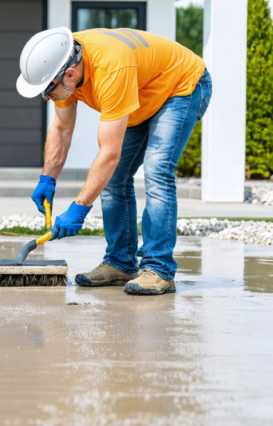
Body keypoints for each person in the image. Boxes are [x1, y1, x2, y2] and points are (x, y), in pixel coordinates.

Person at [17, 27, 211, 296]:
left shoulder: (111, 68)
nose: (47, 97)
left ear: (69, 75)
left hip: (180, 86)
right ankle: (120, 264)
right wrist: (47, 178)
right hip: (139, 92)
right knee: (115, 178)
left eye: (48, 91)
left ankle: (159, 270)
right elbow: (61, 129)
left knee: (157, 170)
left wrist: (79, 207)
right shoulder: (63, 60)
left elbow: (110, 153)